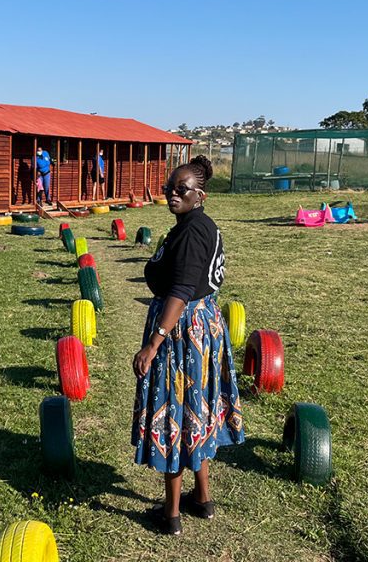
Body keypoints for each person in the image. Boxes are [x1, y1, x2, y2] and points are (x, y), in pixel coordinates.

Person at [131, 155, 244, 535]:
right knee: (195, 409)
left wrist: (153, 343)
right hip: (200, 326)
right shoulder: (193, 225)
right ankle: (203, 499)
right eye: (169, 188)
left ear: (201, 195)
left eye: (181, 189)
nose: (172, 194)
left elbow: (180, 292)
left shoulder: (194, 231)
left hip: (181, 332)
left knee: (176, 415)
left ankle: (172, 514)